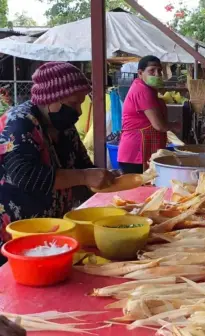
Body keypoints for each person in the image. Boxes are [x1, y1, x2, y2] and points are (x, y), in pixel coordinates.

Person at [0, 62, 116, 249]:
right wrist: (85, 176)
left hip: (52, 232)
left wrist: (107, 179)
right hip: (14, 234)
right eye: (73, 104)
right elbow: (25, 176)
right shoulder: (19, 123)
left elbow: (82, 165)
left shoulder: (65, 128)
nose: (78, 111)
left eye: (81, 103)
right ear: (49, 99)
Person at [117, 56, 178, 174]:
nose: (157, 74)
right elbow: (159, 126)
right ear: (140, 73)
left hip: (138, 153)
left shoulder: (147, 89)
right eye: (152, 70)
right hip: (136, 154)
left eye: (159, 71)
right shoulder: (142, 90)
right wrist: (175, 125)